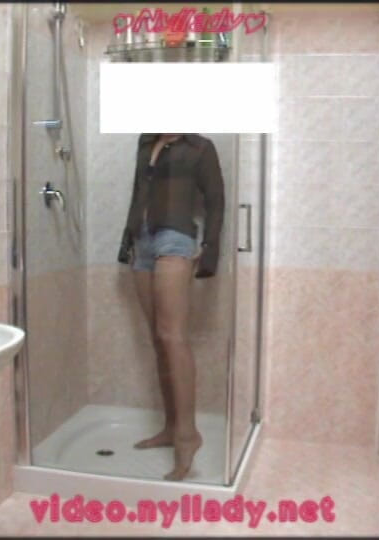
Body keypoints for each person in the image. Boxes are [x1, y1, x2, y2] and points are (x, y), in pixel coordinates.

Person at [118, 133, 225, 481]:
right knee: (158, 340)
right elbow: (138, 193)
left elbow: (216, 202)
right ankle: (170, 427)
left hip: (175, 238)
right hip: (142, 242)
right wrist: (127, 241)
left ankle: (187, 434)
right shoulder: (145, 142)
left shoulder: (199, 148)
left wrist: (209, 249)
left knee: (173, 337)